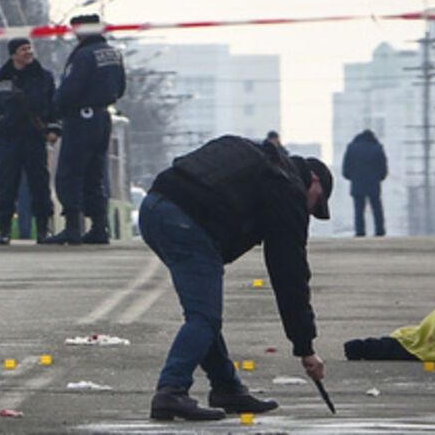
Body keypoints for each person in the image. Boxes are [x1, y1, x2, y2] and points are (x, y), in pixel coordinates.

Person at [139, 136, 333, 421]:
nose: (311, 211)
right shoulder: (288, 188)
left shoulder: (257, 160)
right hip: (186, 223)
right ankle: (171, 390)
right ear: (313, 180)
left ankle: (227, 388)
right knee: (204, 318)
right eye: (317, 202)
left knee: (203, 314)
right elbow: (289, 274)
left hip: (153, 208)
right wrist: (305, 347)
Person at [43, 14, 126, 245]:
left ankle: (73, 227)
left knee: (70, 173)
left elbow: (70, 89)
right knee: (95, 174)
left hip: (81, 119)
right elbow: (121, 88)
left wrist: (55, 109)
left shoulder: (84, 55)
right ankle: (99, 227)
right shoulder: (113, 53)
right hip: (103, 118)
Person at [0, 38, 59, 245]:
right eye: (23, 49)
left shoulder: (44, 77)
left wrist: (53, 129)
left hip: (34, 139)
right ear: (13, 54)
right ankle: (3, 230)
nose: (28, 52)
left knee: (40, 185)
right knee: (6, 185)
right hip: (9, 140)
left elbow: (54, 106)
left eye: (30, 48)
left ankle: (43, 229)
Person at [342, 129, 388, 237]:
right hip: (373, 183)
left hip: (357, 183)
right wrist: (380, 177)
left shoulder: (352, 148)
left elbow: (346, 167)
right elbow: (383, 167)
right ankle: (380, 230)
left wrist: (350, 177)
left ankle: (360, 231)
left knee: (359, 209)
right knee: (376, 208)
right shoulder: (377, 148)